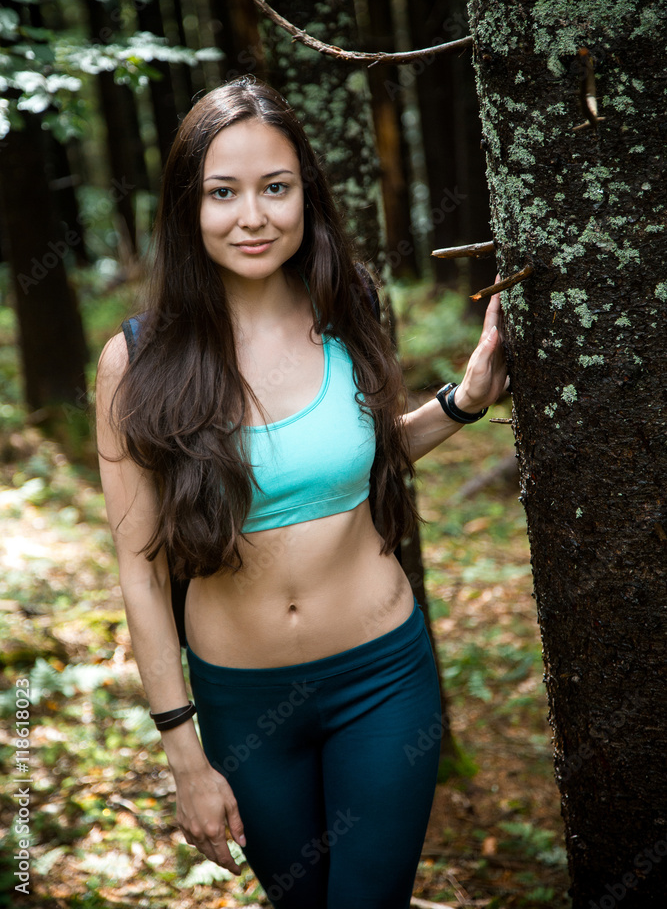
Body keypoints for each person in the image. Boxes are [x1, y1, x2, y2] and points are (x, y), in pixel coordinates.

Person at [96, 76, 508, 909]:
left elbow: (355, 451)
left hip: (380, 682)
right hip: (241, 704)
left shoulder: (346, 302)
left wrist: (461, 402)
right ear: (188, 206)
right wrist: (184, 752)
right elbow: (140, 571)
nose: (253, 216)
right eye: (223, 192)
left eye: (275, 188)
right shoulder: (135, 362)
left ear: (305, 195)